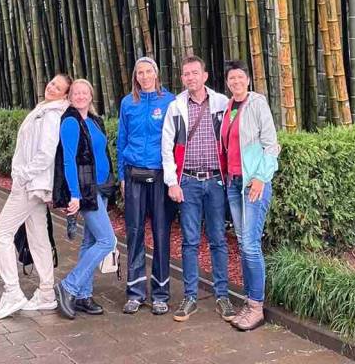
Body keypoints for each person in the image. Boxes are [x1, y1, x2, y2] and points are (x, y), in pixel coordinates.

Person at [0, 73, 71, 320]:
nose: (52, 87)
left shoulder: (51, 115)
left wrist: (23, 175)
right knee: (38, 238)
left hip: (30, 185)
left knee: (1, 234)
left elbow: (46, 153)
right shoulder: (43, 109)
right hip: (34, 185)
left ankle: (12, 292)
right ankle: (46, 293)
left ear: (65, 95)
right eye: (52, 83)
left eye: (58, 87)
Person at [161, 55, 235, 323]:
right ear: (182, 78)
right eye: (186, 73)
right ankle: (190, 296)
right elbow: (166, 146)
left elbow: (235, 138)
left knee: (218, 239)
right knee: (190, 241)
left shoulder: (222, 103)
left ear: (205, 76)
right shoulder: (176, 107)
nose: (190, 77)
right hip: (188, 182)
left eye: (195, 72)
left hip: (216, 181)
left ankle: (223, 296)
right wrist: (172, 182)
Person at [220, 60, 279, 331]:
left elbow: (271, 145)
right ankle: (248, 302)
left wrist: (261, 178)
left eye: (240, 77)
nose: (236, 82)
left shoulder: (257, 104)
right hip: (234, 183)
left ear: (248, 79)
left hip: (253, 183)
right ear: (227, 82)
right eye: (231, 78)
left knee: (251, 245)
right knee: (244, 243)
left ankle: (256, 307)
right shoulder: (228, 107)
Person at [53, 78, 118, 319]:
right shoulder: (70, 122)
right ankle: (68, 286)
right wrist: (75, 195)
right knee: (107, 240)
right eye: (76, 93)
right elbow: (68, 161)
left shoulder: (94, 120)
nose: (80, 96)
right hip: (86, 190)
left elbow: (102, 153)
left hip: (101, 187)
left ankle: (83, 295)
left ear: (91, 96)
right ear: (70, 98)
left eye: (84, 92)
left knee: (90, 242)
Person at [117, 56, 175, 315]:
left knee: (161, 232)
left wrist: (173, 178)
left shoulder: (169, 101)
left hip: (160, 174)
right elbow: (122, 139)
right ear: (135, 77)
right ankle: (135, 292)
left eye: (148, 71)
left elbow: (176, 141)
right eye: (139, 72)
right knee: (135, 232)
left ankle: (161, 293)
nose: (144, 76)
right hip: (133, 174)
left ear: (156, 73)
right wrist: (121, 175)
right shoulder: (128, 102)